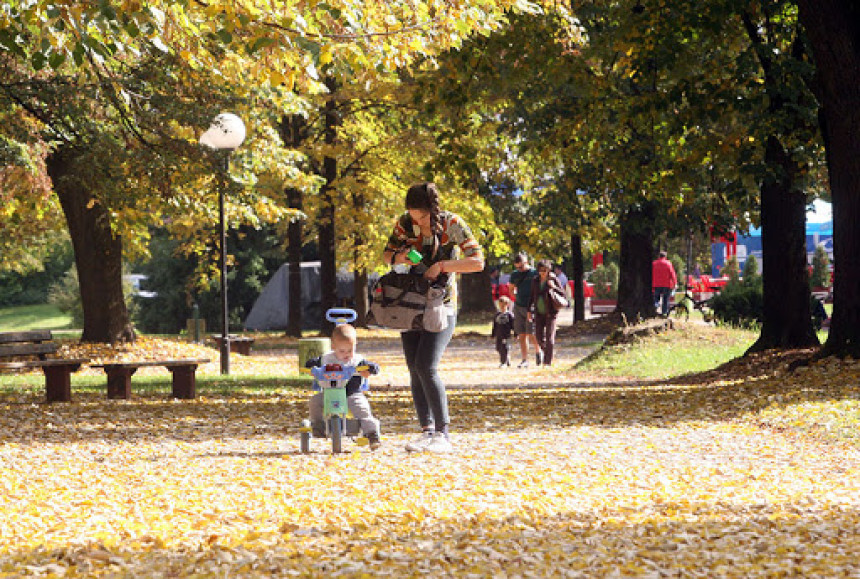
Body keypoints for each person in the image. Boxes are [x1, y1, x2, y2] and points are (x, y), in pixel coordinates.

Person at [383, 182, 484, 453]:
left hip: (442, 304)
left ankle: (443, 433)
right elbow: (387, 254)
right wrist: (400, 256)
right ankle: (426, 431)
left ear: (432, 209)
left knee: (426, 365)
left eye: (422, 216)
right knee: (413, 367)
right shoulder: (404, 223)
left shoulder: (452, 223)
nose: (416, 221)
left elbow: (477, 261)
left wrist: (442, 265)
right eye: (413, 216)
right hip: (410, 302)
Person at [305, 324, 382, 450]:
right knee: (315, 401)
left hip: (351, 393)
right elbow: (312, 363)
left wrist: (371, 369)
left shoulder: (357, 360)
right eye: (342, 351)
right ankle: (318, 426)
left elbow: (373, 366)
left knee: (362, 408)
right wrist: (310, 367)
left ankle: (372, 434)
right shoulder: (326, 358)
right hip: (329, 392)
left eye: (350, 350)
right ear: (333, 347)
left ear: (355, 346)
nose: (347, 354)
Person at [508, 252, 543, 367]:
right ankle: (525, 360)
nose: (520, 269)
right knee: (521, 334)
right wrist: (516, 297)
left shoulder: (534, 273)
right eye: (517, 267)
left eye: (521, 266)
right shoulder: (515, 275)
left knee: (531, 333)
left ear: (526, 262)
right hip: (519, 306)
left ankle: (538, 352)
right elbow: (511, 289)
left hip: (531, 307)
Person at [528, 259, 565, 366]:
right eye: (540, 270)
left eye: (545, 270)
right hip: (538, 312)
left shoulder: (554, 279)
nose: (543, 272)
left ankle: (547, 362)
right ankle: (548, 353)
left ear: (549, 270)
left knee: (550, 338)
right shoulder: (535, 280)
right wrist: (528, 310)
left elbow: (563, 294)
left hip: (551, 313)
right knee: (538, 337)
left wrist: (553, 287)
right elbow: (531, 296)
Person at [491, 296, 515, 367]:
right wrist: (493, 334)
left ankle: (503, 362)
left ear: (507, 305)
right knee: (498, 348)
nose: (502, 307)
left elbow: (513, 325)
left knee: (504, 348)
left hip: (506, 335)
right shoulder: (497, 315)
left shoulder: (510, 315)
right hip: (499, 334)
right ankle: (506, 358)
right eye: (500, 305)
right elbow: (495, 325)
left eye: (503, 305)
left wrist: (515, 333)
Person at [652, 250, 678, 316]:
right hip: (666, 284)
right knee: (665, 299)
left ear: (659, 256)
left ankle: (656, 306)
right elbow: (672, 274)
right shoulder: (668, 263)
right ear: (665, 256)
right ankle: (664, 312)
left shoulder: (654, 263)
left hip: (656, 284)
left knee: (656, 298)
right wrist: (675, 283)